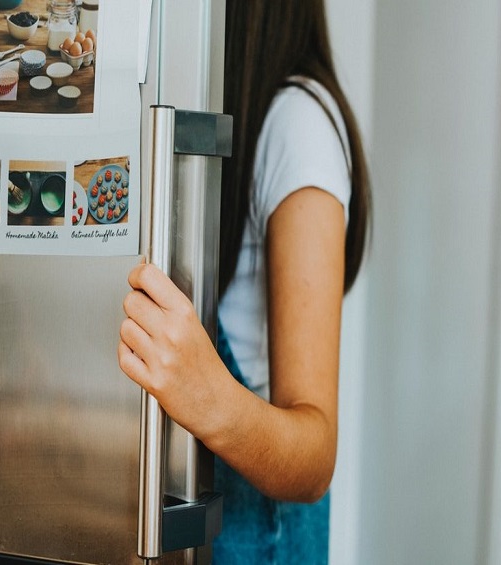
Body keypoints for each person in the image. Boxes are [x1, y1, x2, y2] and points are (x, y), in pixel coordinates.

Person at [117, 1, 371, 562]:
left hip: (256, 540)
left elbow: (314, 457)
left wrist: (207, 398)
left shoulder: (299, 121)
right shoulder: (212, 104)